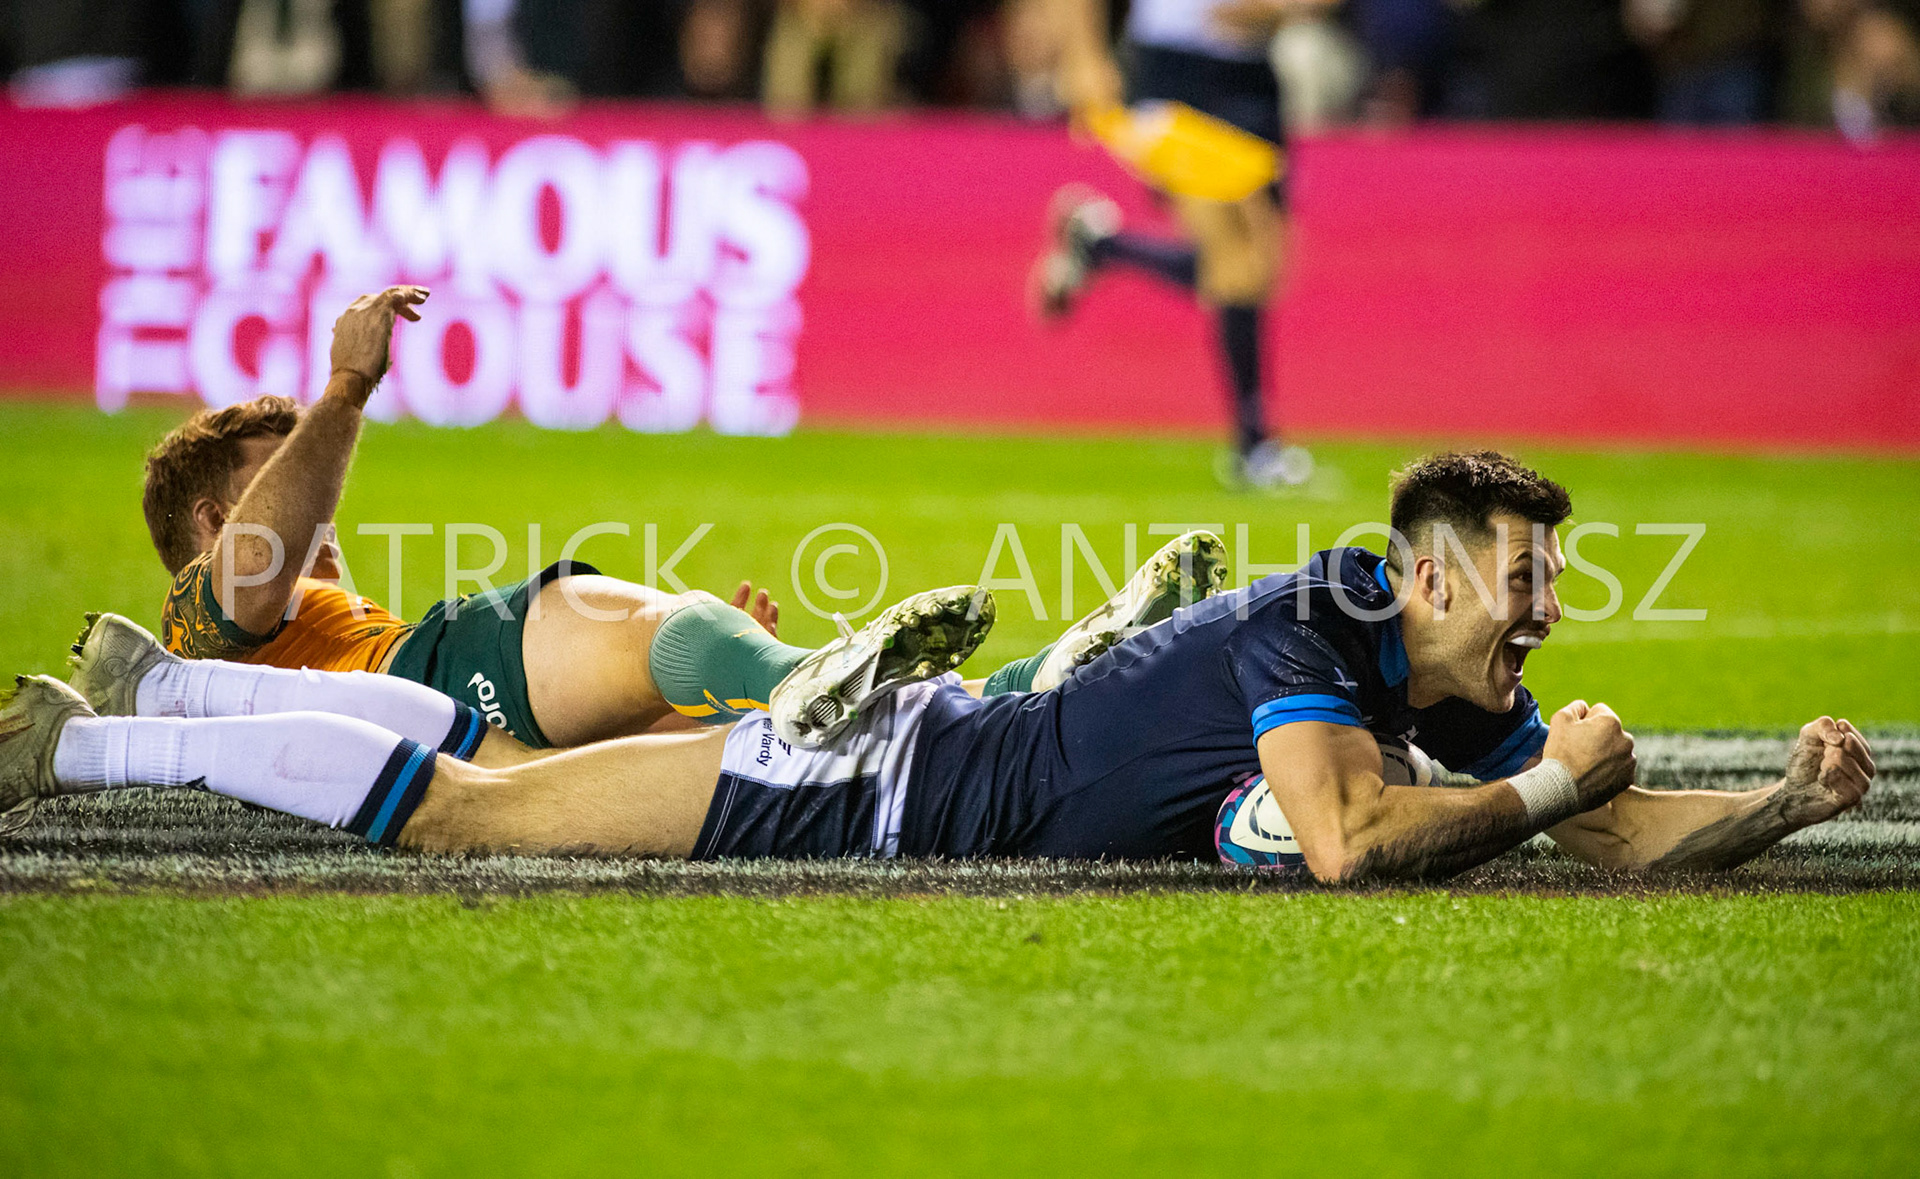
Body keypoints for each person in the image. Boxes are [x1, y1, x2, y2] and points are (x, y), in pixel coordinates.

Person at [3, 452, 1876, 880]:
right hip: (876, 779)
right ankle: (83, 752)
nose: (1551, 607)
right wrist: (1556, 784)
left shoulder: (1451, 680)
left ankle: (153, 700)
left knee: (480, 778)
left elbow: (1605, 838)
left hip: (935, 750)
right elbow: (1346, 845)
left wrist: (1780, 796)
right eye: (1531, 578)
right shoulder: (1324, 622)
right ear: (1430, 571)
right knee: (466, 821)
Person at [135, 286, 997, 763]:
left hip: (460, 732)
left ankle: (996, 700)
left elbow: (549, 758)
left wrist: (707, 685)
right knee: (680, 627)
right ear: (214, 519)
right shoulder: (193, 621)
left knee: (746, 712)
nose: (318, 500)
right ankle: (806, 678)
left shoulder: (312, 644)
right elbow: (254, 565)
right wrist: (346, 388)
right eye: (275, 475)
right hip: (442, 675)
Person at [1031, 0, 1316, 490]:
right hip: (1177, 71)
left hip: (1254, 73)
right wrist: (1083, 56)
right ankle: (1252, 448)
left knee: (1261, 267)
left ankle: (1101, 247)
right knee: (1236, 262)